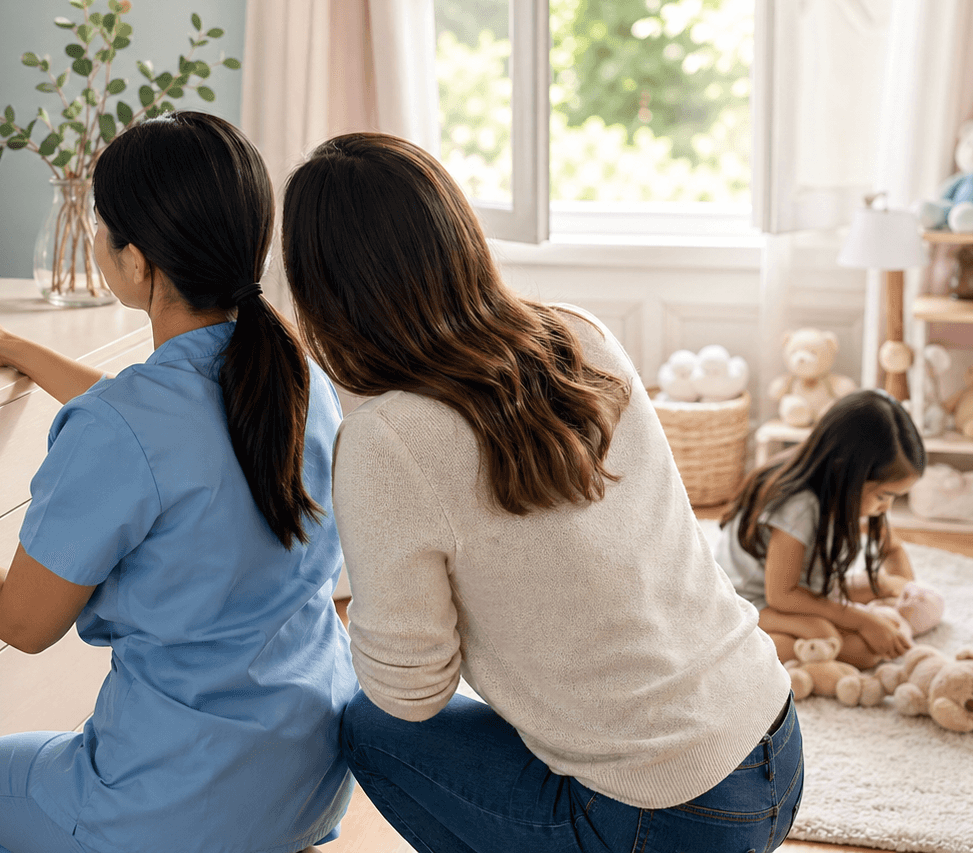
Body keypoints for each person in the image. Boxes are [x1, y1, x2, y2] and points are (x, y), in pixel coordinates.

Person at [281, 132, 800, 853]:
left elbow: (410, 693)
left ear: (325, 292)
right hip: (773, 742)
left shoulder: (386, 440)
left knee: (368, 727)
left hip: (671, 816)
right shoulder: (579, 332)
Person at [0, 111, 356, 853]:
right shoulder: (298, 380)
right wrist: (11, 345)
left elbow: (25, 622)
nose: (94, 238)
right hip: (308, 783)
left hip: (180, 805)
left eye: (101, 225)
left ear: (138, 262)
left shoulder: (126, 427)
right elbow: (164, 432)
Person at [716, 389, 928, 670]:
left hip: (798, 589)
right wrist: (862, 620)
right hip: (746, 604)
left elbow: (895, 561)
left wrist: (884, 596)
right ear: (847, 473)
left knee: (888, 587)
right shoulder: (798, 506)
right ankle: (745, 656)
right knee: (850, 646)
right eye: (882, 496)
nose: (886, 508)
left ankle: (821, 634)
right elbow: (781, 595)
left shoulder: (837, 487)